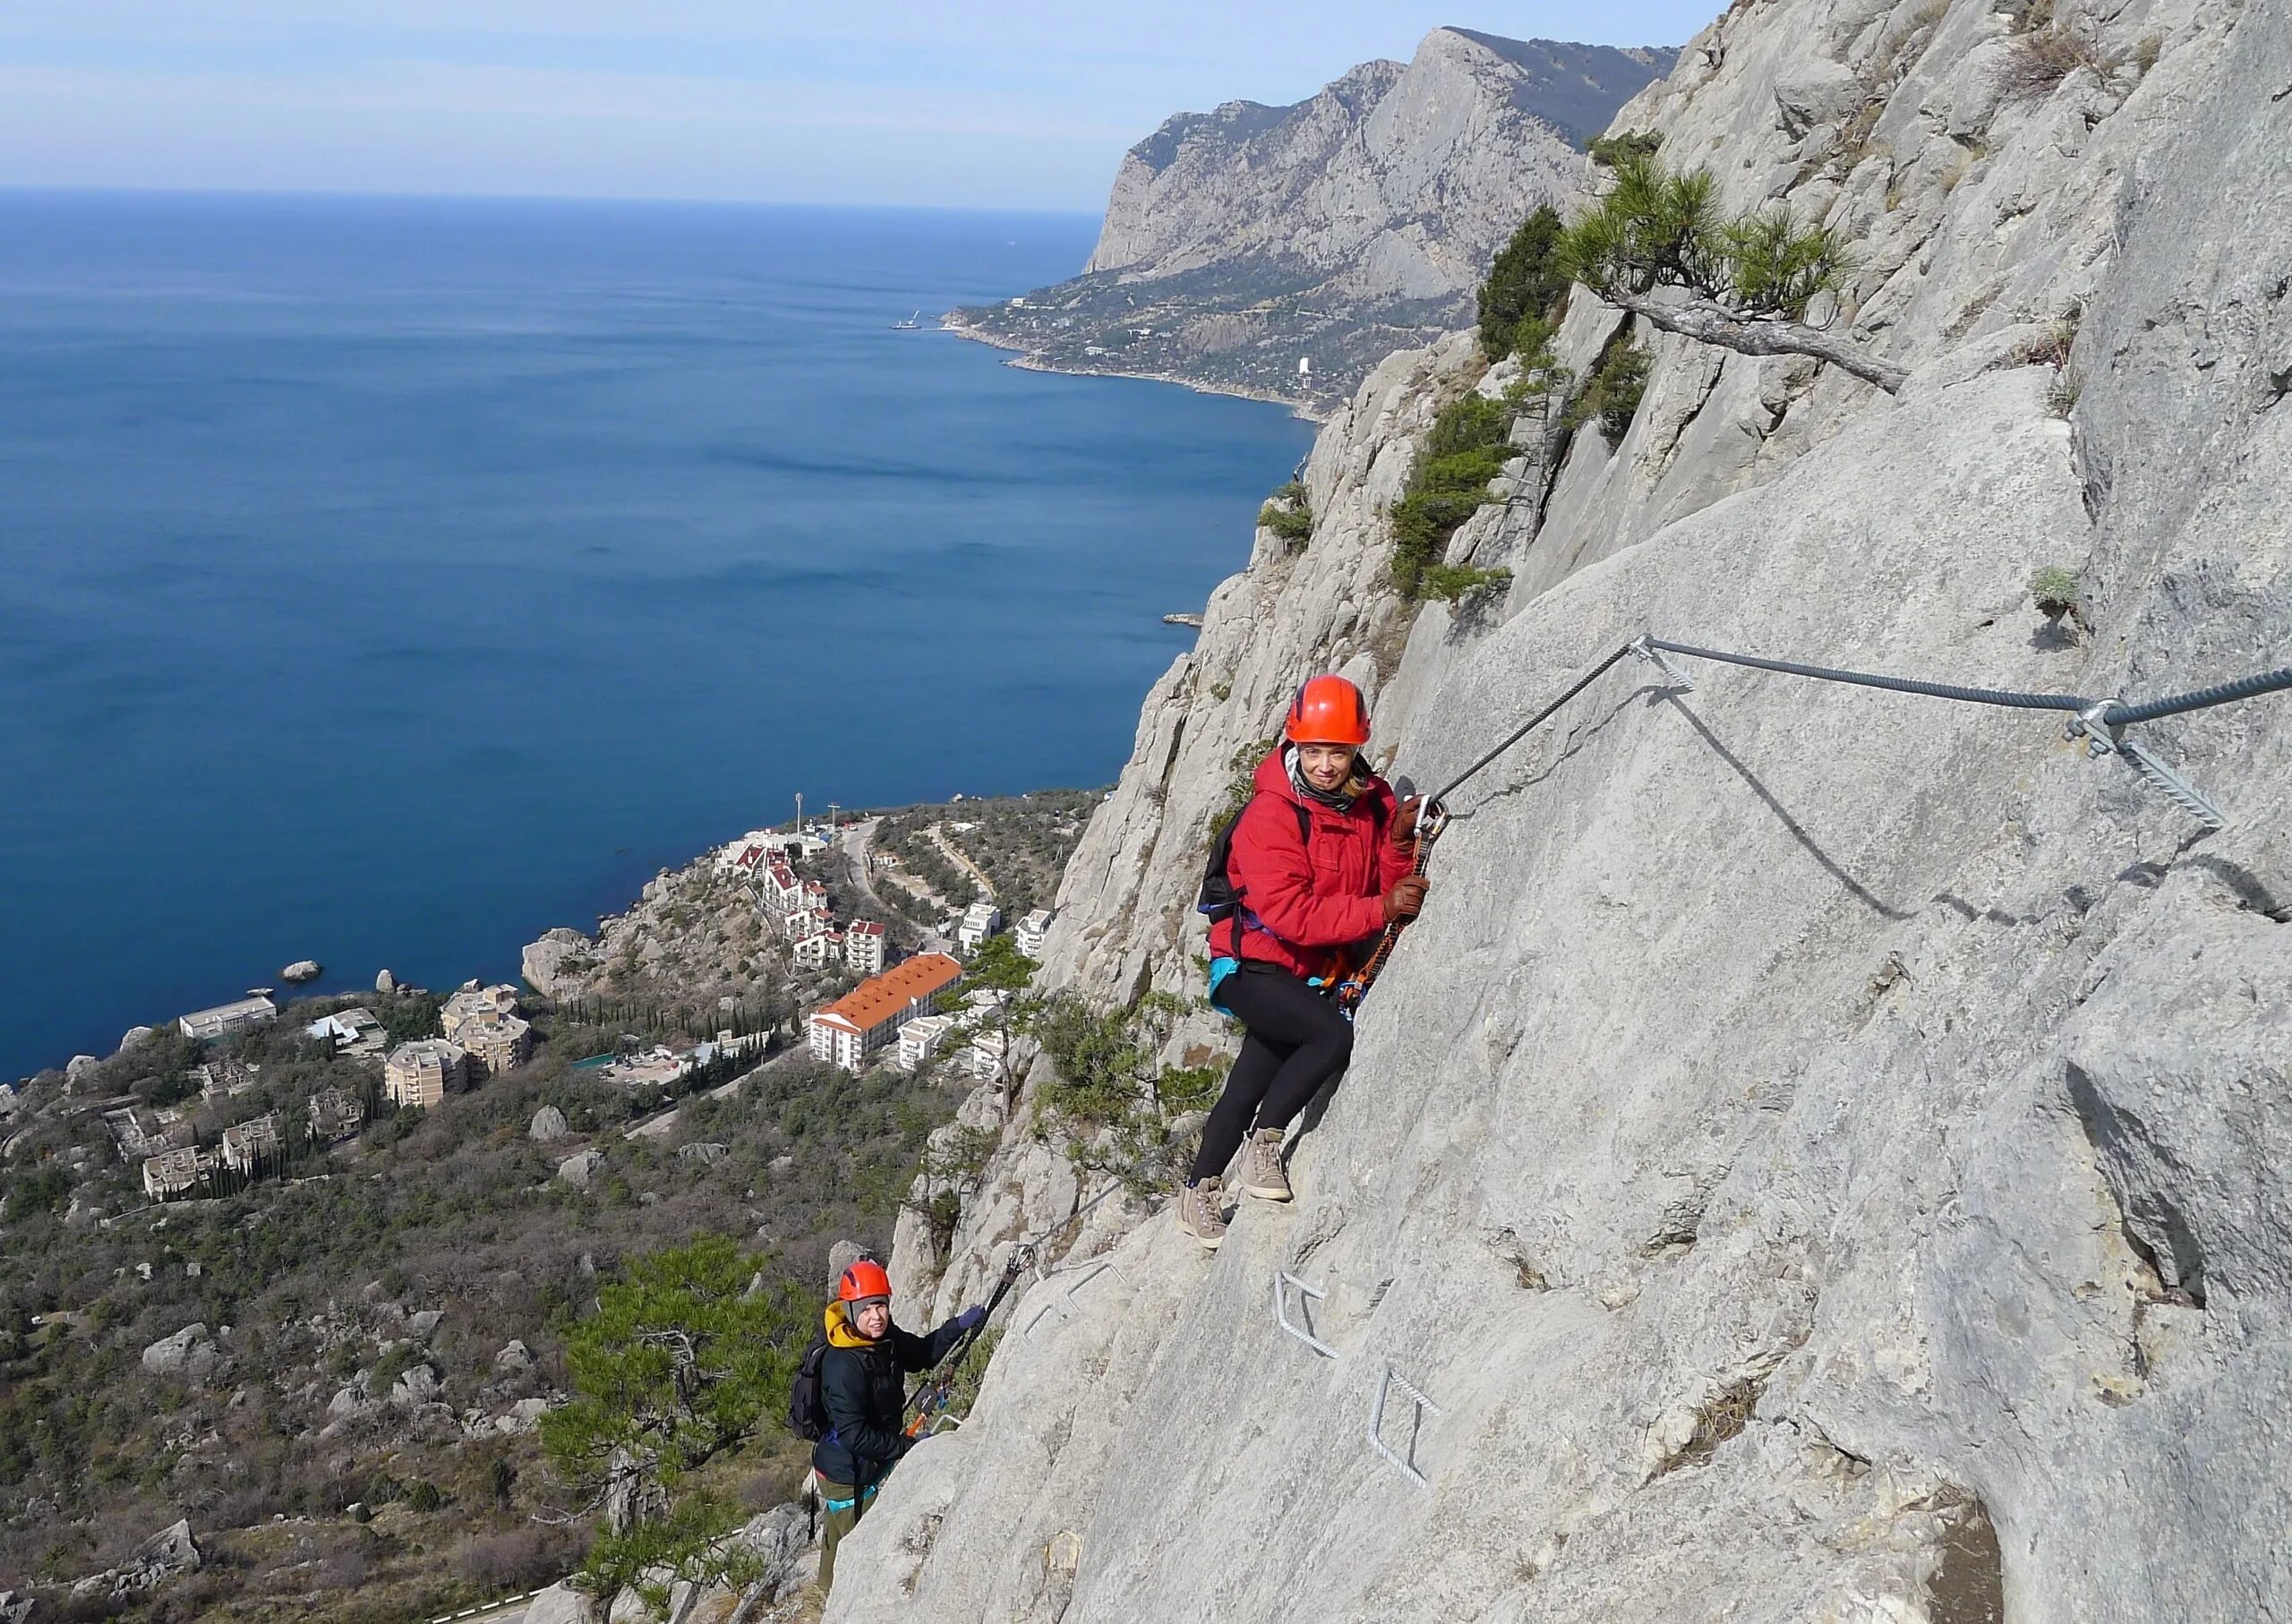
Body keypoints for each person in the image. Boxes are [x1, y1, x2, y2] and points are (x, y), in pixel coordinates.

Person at [1177, 674, 1426, 1249]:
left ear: (1355, 747)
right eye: (1312, 751)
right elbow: (1291, 915)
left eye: (1336, 751)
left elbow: (1378, 881)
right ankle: (1264, 1144)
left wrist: (1396, 845)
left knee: (1253, 1073)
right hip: (1252, 963)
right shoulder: (1272, 815)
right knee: (1328, 1037)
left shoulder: (1373, 803)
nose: (1324, 765)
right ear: (1294, 746)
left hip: (1306, 966)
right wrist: (1380, 909)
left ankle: (1197, 1193)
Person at [812, 1258, 984, 1592]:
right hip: (848, 1474)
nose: (876, 1316)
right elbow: (854, 1435)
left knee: (839, 1543)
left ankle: (823, 1596)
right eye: (866, 1309)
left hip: (865, 1460)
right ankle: (836, 1601)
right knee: (867, 1555)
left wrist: (959, 1326)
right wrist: (908, 1447)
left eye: (881, 1306)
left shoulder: (883, 1338)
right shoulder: (842, 1365)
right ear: (849, 1310)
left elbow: (921, 1354)